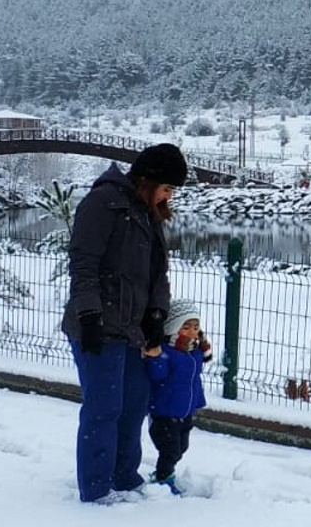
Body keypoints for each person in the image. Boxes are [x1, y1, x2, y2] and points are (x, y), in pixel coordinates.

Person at [61, 142, 187, 503]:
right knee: (104, 408)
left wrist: (157, 316)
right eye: (167, 187)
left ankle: (124, 479)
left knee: (134, 404)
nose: (169, 196)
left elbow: (157, 274)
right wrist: (89, 315)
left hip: (132, 330)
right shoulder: (103, 203)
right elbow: (83, 263)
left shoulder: (147, 211)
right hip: (98, 325)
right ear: (146, 179)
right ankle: (96, 491)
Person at [144, 299, 211, 493]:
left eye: (196, 327)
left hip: (185, 410)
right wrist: (155, 357)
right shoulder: (166, 351)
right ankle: (163, 479)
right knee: (170, 450)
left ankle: (164, 474)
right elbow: (158, 375)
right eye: (186, 327)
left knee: (182, 448)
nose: (192, 331)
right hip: (165, 411)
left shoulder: (194, 351)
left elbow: (194, 379)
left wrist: (198, 399)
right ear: (173, 328)